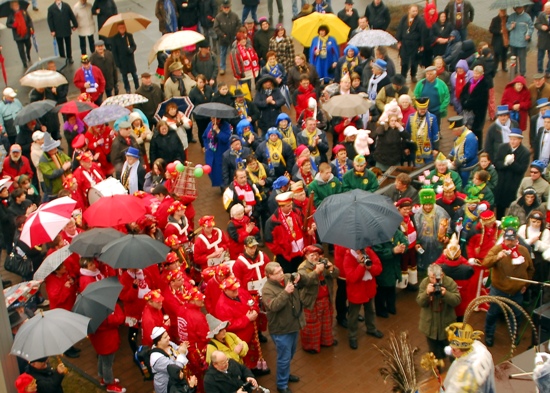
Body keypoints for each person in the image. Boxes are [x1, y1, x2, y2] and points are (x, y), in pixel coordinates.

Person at [482, 227, 534, 347]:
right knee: (493, 313)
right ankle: (489, 334)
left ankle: (514, 334)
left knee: (516, 315)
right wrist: (497, 257)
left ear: (517, 239)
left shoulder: (524, 251)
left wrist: (526, 284)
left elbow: (530, 269)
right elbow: (485, 263)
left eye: (512, 240)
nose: (510, 242)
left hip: (517, 292)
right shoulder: (497, 249)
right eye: (507, 240)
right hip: (498, 290)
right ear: (504, 239)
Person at [262, 261, 308, 393]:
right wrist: (286, 292)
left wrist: (300, 277)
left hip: (293, 324)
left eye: (281, 270)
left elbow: (301, 279)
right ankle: (281, 385)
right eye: (278, 273)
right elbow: (273, 306)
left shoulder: (288, 278)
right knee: (284, 358)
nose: (282, 274)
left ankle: (285, 375)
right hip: (281, 330)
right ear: (270, 276)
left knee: (290, 354)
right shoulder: (267, 290)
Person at [298, 244, 339, 354]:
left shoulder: (323, 261)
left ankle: (326, 341)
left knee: (327, 322)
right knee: (312, 325)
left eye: (317, 255)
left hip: (326, 299)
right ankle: (311, 347)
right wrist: (316, 272)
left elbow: (336, 273)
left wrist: (331, 268)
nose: (315, 257)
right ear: (306, 256)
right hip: (312, 302)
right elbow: (305, 281)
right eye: (312, 255)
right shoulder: (302, 268)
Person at [416, 263, 461, 361]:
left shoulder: (449, 282)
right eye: (432, 278)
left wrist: (446, 294)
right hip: (430, 326)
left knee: (451, 351)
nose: (435, 281)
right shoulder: (425, 283)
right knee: (434, 352)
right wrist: (426, 293)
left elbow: (457, 301)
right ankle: (437, 370)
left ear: (442, 275)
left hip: (447, 326)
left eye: (437, 278)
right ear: (429, 276)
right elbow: (420, 302)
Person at [343, 245, 384, 349]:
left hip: (369, 289)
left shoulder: (369, 252)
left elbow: (379, 269)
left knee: (370, 310)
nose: (360, 250)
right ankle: (352, 336)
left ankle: (371, 329)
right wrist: (361, 265)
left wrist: (370, 267)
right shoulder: (348, 257)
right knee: (354, 315)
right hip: (356, 292)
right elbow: (352, 278)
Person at [494, 128, 530, 218]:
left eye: (515, 139)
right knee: (500, 207)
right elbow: (497, 162)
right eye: (511, 139)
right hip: (501, 182)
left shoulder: (525, 153)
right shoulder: (503, 147)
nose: (512, 142)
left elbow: (521, 169)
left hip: (513, 184)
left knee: (512, 207)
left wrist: (512, 163)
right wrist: (505, 164)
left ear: (520, 140)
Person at [150, 326, 190, 393]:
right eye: (165, 337)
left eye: (167, 335)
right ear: (158, 341)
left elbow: (179, 350)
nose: (169, 338)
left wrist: (183, 348)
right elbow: (175, 369)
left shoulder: (169, 344)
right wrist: (182, 353)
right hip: (167, 387)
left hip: (176, 382)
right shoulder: (157, 358)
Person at [405, 97, 440, 166]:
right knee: (417, 168)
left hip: (427, 146)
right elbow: (407, 133)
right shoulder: (411, 117)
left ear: (427, 108)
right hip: (415, 147)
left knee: (429, 166)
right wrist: (406, 147)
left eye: (424, 109)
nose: (422, 110)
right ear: (417, 108)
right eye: (420, 109)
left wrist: (436, 148)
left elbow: (435, 134)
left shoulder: (432, 118)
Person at [38, 133, 72, 200]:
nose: (56, 148)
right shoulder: (43, 161)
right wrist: (63, 169)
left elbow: (68, 160)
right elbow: (50, 174)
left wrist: (69, 164)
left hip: (67, 185)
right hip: (55, 191)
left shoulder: (59, 152)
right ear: (48, 150)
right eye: (53, 147)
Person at [448, 116, 479, 185]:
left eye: (454, 131)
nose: (453, 133)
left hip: (468, 168)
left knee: (465, 185)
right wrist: (451, 155)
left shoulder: (470, 138)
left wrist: (457, 162)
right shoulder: (460, 136)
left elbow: (469, 155)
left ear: (458, 130)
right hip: (461, 167)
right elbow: (456, 147)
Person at [396, 5, 423, 83]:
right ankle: (403, 75)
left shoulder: (419, 20)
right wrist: (399, 41)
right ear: (409, 10)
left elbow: (422, 32)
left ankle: (413, 75)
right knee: (404, 60)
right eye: (413, 11)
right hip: (405, 43)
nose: (415, 13)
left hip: (415, 43)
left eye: (416, 11)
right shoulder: (404, 18)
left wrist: (421, 45)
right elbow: (400, 29)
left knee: (414, 61)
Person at [213, 0, 241, 76]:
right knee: (223, 54)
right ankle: (222, 68)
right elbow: (216, 28)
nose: (226, 9)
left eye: (227, 7)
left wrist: (236, 33)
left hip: (233, 38)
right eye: (225, 7)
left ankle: (236, 67)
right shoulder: (218, 17)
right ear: (222, 7)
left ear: (230, 7)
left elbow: (239, 24)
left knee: (235, 54)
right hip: (223, 39)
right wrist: (222, 35)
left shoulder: (234, 15)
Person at [111, 22, 138, 94]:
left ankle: (137, 87)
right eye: (120, 28)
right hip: (122, 60)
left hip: (130, 59)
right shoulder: (115, 38)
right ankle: (127, 89)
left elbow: (134, 45)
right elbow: (114, 52)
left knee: (134, 75)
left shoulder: (129, 36)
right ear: (118, 29)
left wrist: (131, 50)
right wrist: (117, 63)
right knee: (124, 76)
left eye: (123, 27)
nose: (122, 29)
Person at [507, 6, 534, 77]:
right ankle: (514, 70)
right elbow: (507, 25)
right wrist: (511, 26)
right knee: (513, 58)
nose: (518, 9)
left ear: (523, 8)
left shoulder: (527, 17)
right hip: (513, 41)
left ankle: (522, 73)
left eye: (519, 8)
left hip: (522, 42)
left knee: (522, 58)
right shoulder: (512, 16)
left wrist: (528, 34)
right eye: (517, 8)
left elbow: (531, 27)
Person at [6, 0, 34, 68]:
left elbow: (29, 20)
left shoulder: (24, 12)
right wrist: (13, 25)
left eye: (17, 5)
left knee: (29, 45)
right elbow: (7, 24)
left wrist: (31, 28)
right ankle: (24, 62)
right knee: (21, 50)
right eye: (14, 6)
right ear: (12, 7)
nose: (16, 7)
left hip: (26, 33)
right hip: (18, 36)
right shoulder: (11, 15)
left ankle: (28, 54)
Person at [536, 4, 550, 77]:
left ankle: (548, 71)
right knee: (540, 57)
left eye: (548, 9)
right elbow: (536, 24)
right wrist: (541, 26)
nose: (547, 10)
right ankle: (540, 71)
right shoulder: (541, 14)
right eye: (546, 8)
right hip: (542, 39)